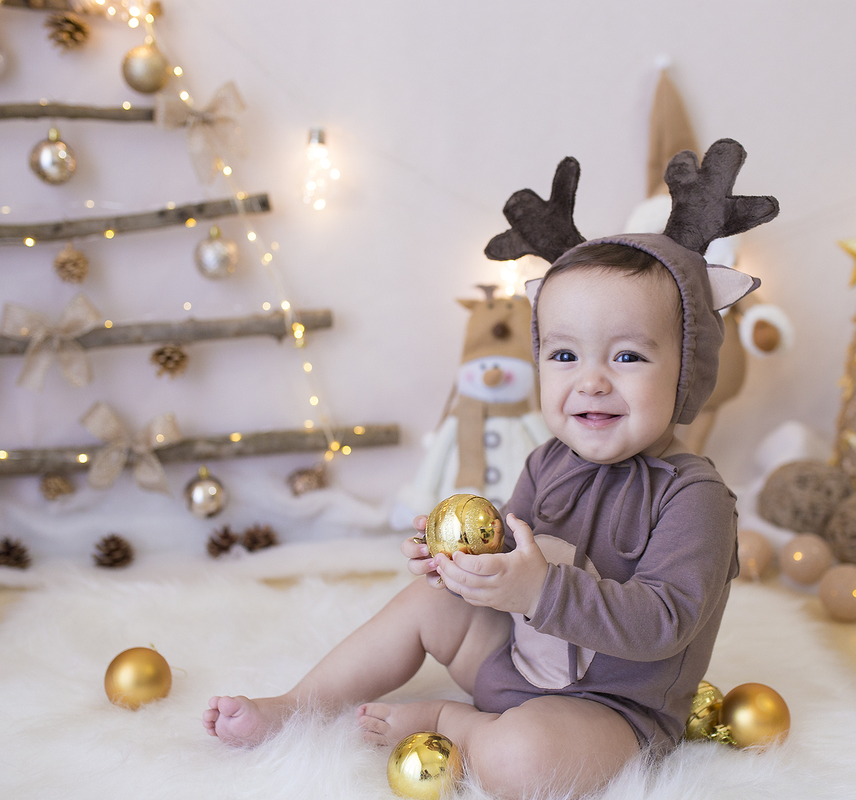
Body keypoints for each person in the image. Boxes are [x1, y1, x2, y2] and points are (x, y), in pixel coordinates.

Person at [203, 233, 746, 798]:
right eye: (564, 355)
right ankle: (299, 704)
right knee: (428, 603)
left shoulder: (695, 497)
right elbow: (509, 554)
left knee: (526, 762)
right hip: (513, 660)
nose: (591, 380)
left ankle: (452, 722)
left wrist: (539, 592)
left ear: (687, 371)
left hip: (610, 712)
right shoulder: (546, 461)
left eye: (628, 356)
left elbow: (665, 622)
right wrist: (461, 565)